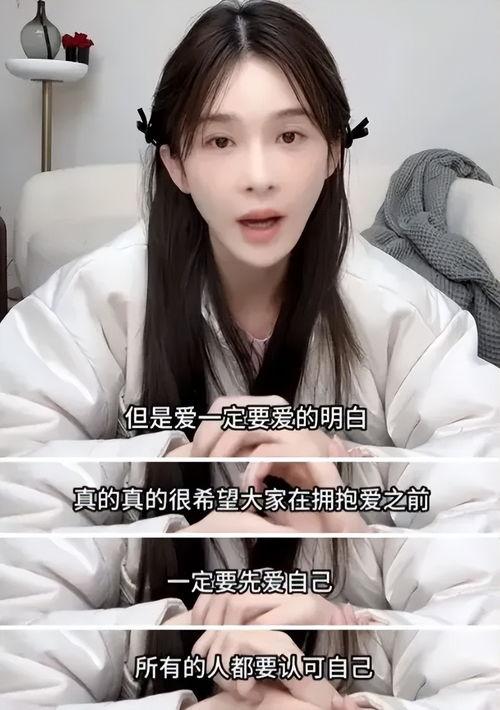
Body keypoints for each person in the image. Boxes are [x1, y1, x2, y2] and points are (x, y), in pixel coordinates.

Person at [0, 0, 498, 458]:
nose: (259, 178)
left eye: (289, 135)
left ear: (333, 152)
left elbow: (479, 479)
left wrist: (342, 481)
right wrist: (169, 473)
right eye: (220, 141)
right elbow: (18, 475)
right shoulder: (91, 304)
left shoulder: (408, 317)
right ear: (176, 165)